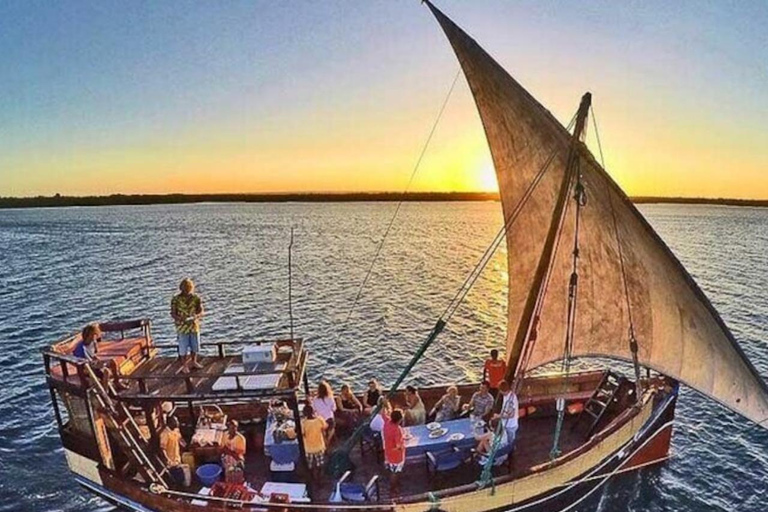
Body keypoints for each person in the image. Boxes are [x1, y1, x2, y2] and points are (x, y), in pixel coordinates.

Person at [170, 278, 204, 374]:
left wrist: (196, 316)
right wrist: (179, 318)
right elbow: (173, 313)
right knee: (183, 347)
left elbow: (201, 310)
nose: (187, 290)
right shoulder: (175, 299)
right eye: (185, 288)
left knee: (195, 345)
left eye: (188, 288)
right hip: (182, 327)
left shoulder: (196, 298)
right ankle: (184, 365)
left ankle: (194, 361)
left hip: (193, 325)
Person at [382, 409, 406, 496]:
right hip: (396, 456)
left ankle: (394, 485)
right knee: (395, 472)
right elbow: (398, 445)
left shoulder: (387, 422)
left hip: (388, 452)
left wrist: (383, 402)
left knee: (392, 470)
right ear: (399, 420)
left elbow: (383, 413)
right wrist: (402, 444)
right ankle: (393, 488)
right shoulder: (397, 430)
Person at [301, 404, 327, 480]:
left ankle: (312, 477)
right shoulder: (319, 420)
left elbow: (302, 433)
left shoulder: (303, 423)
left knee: (309, 465)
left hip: (308, 448)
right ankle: (319, 477)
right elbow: (324, 428)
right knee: (320, 464)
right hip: (319, 446)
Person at [159, 416, 186, 484]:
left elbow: (180, 439)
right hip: (171, 462)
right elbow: (162, 449)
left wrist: (185, 446)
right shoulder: (165, 434)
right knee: (176, 478)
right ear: (170, 423)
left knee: (181, 477)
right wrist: (167, 459)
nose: (177, 423)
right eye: (175, 421)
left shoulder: (176, 430)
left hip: (177, 458)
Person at [497, 380, 519, 446]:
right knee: (505, 440)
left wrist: (499, 416)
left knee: (510, 442)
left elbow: (511, 415)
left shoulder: (511, 399)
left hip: (510, 425)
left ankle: (511, 452)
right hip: (505, 424)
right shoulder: (505, 396)